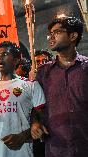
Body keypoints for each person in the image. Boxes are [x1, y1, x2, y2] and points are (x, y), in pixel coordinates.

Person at [0, 41, 45, 157]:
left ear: (16, 60)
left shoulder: (30, 85)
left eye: (5, 54)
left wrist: (22, 136)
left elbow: (42, 119)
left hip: (22, 152)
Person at [35, 16, 88, 157]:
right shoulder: (43, 72)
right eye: (50, 34)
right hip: (56, 148)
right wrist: (35, 123)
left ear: (73, 36)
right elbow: (34, 105)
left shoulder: (86, 67)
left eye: (57, 32)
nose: (51, 37)